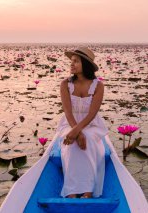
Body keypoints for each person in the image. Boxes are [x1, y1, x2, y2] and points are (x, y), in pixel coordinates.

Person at [56, 47, 108, 199]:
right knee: (71, 146)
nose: (71, 64)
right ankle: (71, 190)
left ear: (85, 64)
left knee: (89, 143)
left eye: (76, 61)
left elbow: (92, 114)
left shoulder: (98, 86)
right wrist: (74, 132)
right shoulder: (65, 84)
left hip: (90, 124)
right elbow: (67, 111)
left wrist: (78, 131)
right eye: (71, 61)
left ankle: (88, 190)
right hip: (69, 123)